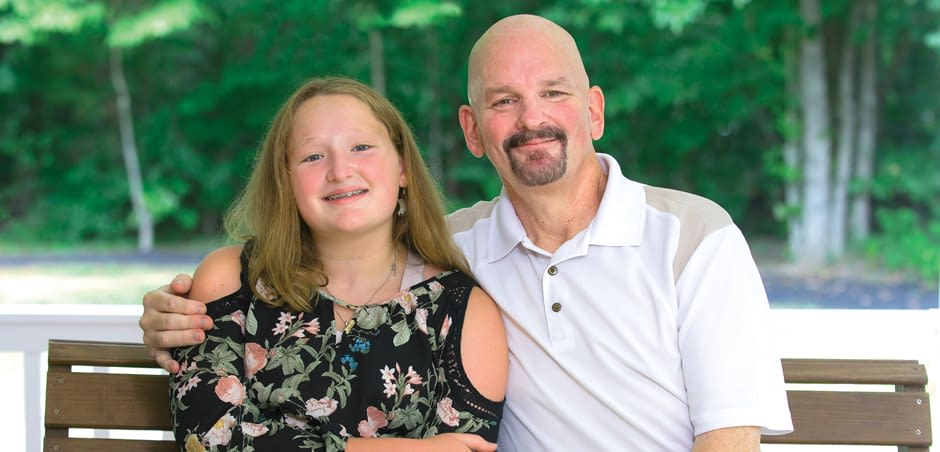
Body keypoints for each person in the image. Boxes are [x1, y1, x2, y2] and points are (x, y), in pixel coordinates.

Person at [141, 15, 792, 451]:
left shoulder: (694, 238)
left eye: (554, 93)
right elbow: (329, 254)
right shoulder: (452, 251)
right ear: (472, 130)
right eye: (503, 100)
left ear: (593, 110)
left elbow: (729, 439)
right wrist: (172, 313)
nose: (531, 118)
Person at [165, 76, 507, 452]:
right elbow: (208, 439)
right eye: (313, 156)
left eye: (361, 147)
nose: (340, 171)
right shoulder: (231, 280)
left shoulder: (459, 309)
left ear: (403, 168)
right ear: (285, 179)